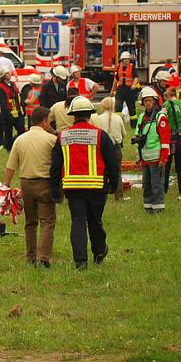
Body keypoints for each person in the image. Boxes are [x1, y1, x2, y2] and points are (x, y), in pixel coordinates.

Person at [50, 96, 120, 270]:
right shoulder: (100, 135)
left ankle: (80, 261)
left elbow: (56, 166)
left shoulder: (63, 136)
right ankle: (99, 252)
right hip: (96, 187)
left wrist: (55, 188)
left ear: (73, 115)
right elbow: (112, 163)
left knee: (78, 221)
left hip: (73, 187)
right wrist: (113, 182)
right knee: (95, 221)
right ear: (90, 114)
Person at [4, 106, 57, 267]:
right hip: (45, 183)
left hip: (26, 183)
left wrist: (6, 187)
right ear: (44, 121)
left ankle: (31, 256)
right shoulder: (51, 140)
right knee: (47, 221)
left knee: (30, 222)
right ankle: (43, 257)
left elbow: (10, 166)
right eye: (49, 120)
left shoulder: (20, 139)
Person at [134, 87, 170, 213]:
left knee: (157, 186)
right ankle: (148, 208)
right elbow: (137, 137)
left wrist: (163, 158)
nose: (148, 103)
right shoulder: (141, 117)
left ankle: (158, 209)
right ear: (143, 102)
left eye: (150, 100)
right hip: (145, 158)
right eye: (146, 101)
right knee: (147, 186)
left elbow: (165, 141)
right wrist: (138, 156)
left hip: (157, 159)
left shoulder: (160, 117)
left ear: (154, 101)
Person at [90, 97, 126, 200]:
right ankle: (119, 196)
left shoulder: (98, 118)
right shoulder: (118, 118)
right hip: (116, 148)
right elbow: (124, 134)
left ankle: (102, 195)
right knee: (117, 172)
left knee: (102, 173)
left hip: (102, 149)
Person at [163, 86, 181, 196]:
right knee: (180, 165)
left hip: (170, 137)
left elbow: (162, 118)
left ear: (169, 95)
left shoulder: (167, 105)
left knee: (167, 164)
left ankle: (164, 189)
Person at [0, 67, 23, 150]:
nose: (10, 74)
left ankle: (21, 146)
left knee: (21, 130)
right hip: (7, 114)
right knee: (8, 132)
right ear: (3, 76)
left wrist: (20, 110)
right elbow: (3, 104)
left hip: (17, 112)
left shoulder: (13, 84)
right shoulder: (1, 88)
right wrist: (8, 115)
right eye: (7, 73)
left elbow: (17, 97)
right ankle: (9, 148)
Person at [112, 51, 138, 128]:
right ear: (122, 60)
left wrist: (133, 84)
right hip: (120, 89)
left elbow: (136, 77)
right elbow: (116, 79)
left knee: (132, 109)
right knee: (118, 107)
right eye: (125, 59)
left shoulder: (132, 67)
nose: (127, 61)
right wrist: (113, 90)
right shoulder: (118, 67)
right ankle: (118, 125)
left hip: (129, 90)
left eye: (128, 59)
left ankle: (133, 126)